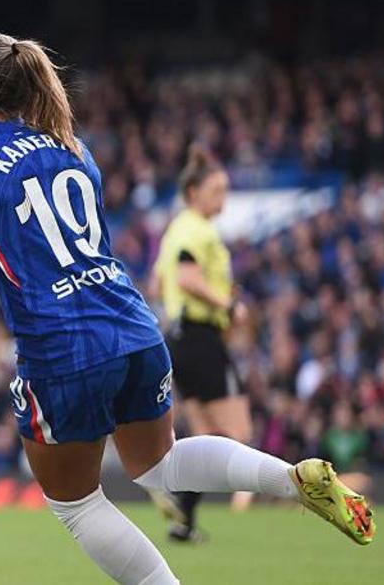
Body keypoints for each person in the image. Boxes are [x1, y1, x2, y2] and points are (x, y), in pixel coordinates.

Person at [0, 31, 374, 585]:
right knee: (160, 463)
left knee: (75, 502)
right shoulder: (72, 147)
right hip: (134, 327)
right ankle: (290, 478)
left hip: (62, 348)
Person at [148, 144, 254, 540]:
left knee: (205, 432)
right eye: (216, 190)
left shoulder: (176, 228)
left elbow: (159, 283)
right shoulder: (197, 229)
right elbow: (188, 278)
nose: (222, 198)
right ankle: (177, 491)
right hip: (200, 336)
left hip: (179, 337)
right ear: (194, 192)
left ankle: (184, 517)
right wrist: (228, 304)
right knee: (236, 433)